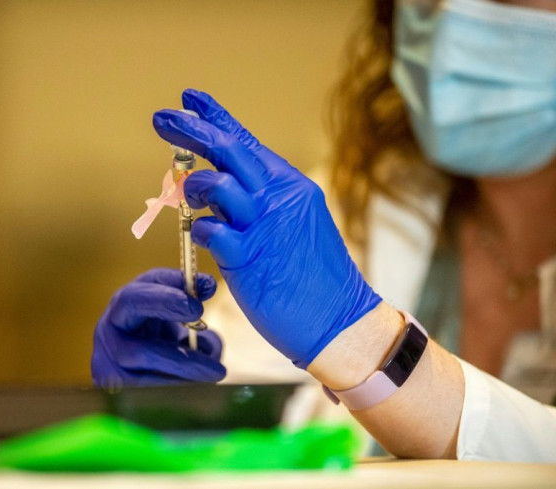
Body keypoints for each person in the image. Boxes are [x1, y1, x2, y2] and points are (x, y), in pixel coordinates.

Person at [91, 0, 556, 462]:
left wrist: (365, 341)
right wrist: (181, 417)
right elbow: (256, 408)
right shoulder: (361, 198)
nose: (453, 15)